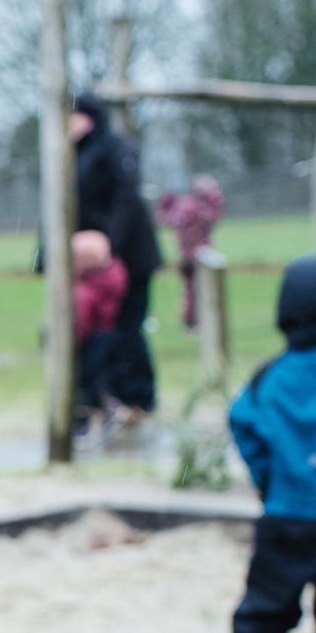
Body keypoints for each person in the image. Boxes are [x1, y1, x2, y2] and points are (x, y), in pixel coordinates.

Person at [227, 253, 316, 633]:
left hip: (287, 515)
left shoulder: (272, 377)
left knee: (267, 607)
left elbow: (242, 421)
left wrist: (266, 475)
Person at [71, 93, 162, 415]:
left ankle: (138, 398)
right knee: (98, 332)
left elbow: (124, 199)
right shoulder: (75, 153)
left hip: (127, 257)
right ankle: (106, 396)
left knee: (127, 329)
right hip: (94, 263)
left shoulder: (114, 148)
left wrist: (109, 244)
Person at [72, 230, 129, 427]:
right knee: (100, 380)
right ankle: (109, 410)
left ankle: (82, 423)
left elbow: (81, 321)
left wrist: (74, 340)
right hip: (107, 333)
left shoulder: (84, 291)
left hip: (89, 340)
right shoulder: (114, 274)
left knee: (84, 383)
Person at [157, 175, 225, 330]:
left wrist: (165, 203)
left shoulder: (181, 206)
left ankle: (193, 321)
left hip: (185, 255)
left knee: (190, 290)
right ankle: (197, 322)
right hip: (200, 255)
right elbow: (214, 216)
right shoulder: (199, 208)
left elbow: (163, 218)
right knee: (199, 289)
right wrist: (216, 197)